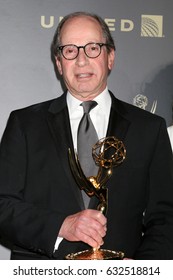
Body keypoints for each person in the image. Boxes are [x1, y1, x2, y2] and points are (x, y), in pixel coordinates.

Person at [0, 11, 173, 260]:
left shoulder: (149, 128)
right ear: (59, 63)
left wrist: (140, 271)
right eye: (70, 50)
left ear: (110, 57)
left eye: (93, 48)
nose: (81, 60)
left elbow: (166, 217)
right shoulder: (25, 124)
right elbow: (3, 206)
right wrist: (62, 226)